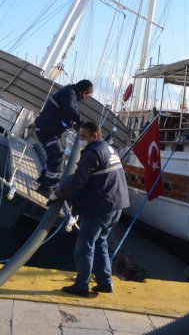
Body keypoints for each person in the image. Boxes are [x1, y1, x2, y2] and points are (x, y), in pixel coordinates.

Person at [49, 120, 129, 297]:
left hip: (101, 207)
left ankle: (82, 285)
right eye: (80, 137)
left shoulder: (93, 153)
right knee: (100, 241)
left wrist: (58, 193)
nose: (82, 140)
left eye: (85, 137)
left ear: (96, 136)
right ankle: (105, 282)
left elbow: (78, 181)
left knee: (85, 245)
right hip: (117, 205)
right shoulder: (108, 149)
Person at [34, 79, 93, 193]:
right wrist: (83, 123)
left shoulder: (72, 94)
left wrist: (74, 124)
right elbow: (70, 110)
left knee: (54, 154)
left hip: (50, 130)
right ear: (83, 91)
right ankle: (46, 187)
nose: (86, 98)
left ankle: (44, 179)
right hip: (46, 130)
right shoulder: (69, 93)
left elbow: (65, 113)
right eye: (87, 95)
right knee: (57, 155)